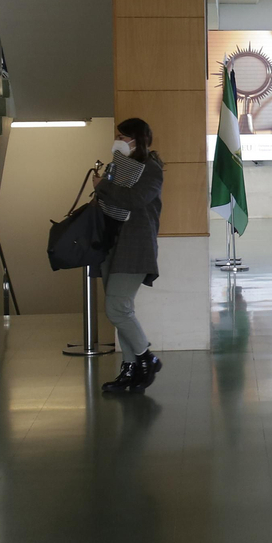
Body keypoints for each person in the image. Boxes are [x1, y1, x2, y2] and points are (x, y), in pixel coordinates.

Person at [96, 118, 165, 395]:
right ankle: (130, 369)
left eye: (123, 137)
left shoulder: (151, 168)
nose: (118, 141)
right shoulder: (117, 166)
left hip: (135, 246)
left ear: (137, 139)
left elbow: (134, 200)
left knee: (116, 308)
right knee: (122, 310)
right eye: (118, 136)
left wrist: (102, 186)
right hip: (112, 245)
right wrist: (103, 185)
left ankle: (147, 359)